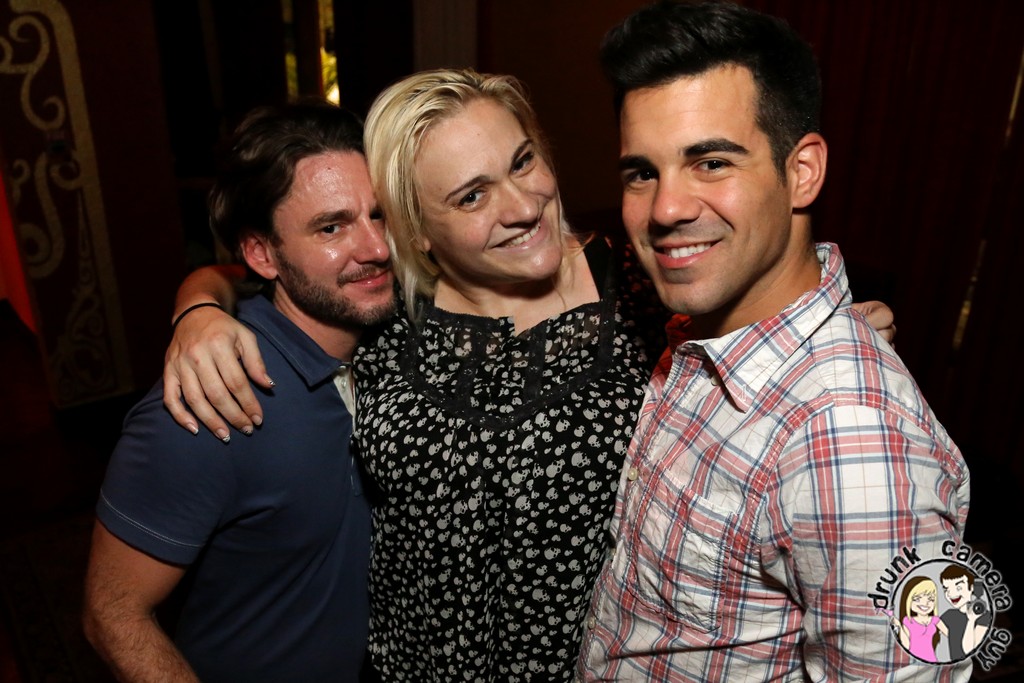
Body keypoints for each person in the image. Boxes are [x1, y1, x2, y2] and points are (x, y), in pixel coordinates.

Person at [161, 73, 895, 681]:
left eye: (521, 163)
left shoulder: (645, 289)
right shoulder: (388, 307)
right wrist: (198, 305)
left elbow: (760, 311)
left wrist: (828, 340)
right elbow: (269, 272)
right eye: (471, 195)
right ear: (417, 231)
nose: (521, 206)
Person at [575, 1, 971, 681]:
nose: (665, 208)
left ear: (803, 172)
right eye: (642, 172)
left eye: (711, 162)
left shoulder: (852, 439)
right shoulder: (697, 337)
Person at [81, 99, 393, 682]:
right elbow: (113, 614)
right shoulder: (209, 401)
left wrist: (197, 299)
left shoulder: (391, 340)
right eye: (331, 227)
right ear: (262, 253)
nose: (376, 248)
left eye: (380, 215)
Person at [940, 565, 991, 660]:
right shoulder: (949, 615)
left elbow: (968, 650)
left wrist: (971, 620)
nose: (951, 593)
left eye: (958, 588)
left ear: (971, 587)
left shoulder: (984, 616)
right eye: (946, 589)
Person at [892, 577, 948, 662]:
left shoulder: (935, 620)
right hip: (912, 660)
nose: (925, 603)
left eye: (931, 599)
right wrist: (898, 625)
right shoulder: (908, 621)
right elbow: (906, 645)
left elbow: (951, 635)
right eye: (917, 599)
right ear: (908, 600)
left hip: (931, 660)